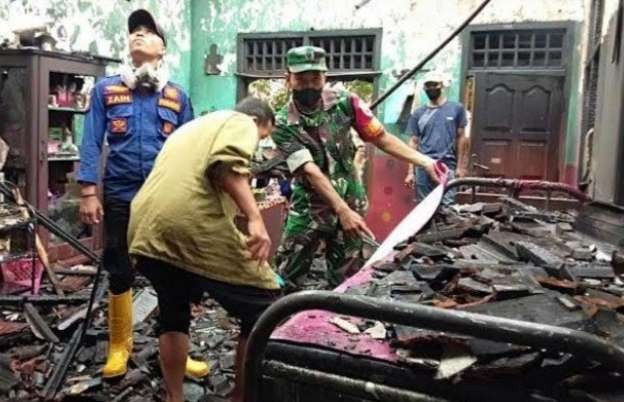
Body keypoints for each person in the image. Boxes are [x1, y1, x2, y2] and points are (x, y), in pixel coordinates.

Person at [76, 9, 208, 379]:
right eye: (134, 31)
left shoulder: (177, 96)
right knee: (119, 266)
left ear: (162, 49)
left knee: (172, 270)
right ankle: (120, 346)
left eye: (148, 32)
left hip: (165, 197)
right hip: (119, 193)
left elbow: (192, 150)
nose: (138, 35)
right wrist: (89, 191)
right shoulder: (107, 89)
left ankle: (178, 350)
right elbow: (91, 141)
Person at [128, 97, 281, 402]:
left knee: (174, 311)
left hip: (145, 226)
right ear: (259, 122)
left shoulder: (192, 128)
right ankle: (243, 397)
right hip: (187, 223)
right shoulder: (241, 122)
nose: (259, 144)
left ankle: (175, 398)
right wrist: (255, 219)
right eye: (263, 136)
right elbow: (225, 167)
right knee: (265, 307)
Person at [273, 46, 444, 291]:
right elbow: (310, 170)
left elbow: (381, 137)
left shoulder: (347, 103)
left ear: (326, 77)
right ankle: (278, 324)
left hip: (351, 200)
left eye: (315, 78)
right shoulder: (282, 123)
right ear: (287, 79)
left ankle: (335, 324)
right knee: (287, 273)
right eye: (301, 79)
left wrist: (424, 161)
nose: (309, 86)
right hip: (310, 207)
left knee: (347, 277)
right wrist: (341, 211)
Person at [404, 71, 469, 205]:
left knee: (448, 206)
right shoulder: (418, 113)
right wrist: (411, 172)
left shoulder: (456, 109)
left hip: (447, 165)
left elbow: (462, 138)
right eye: (428, 86)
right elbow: (413, 142)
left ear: (442, 85)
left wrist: (461, 167)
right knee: (424, 207)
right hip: (423, 166)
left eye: (434, 85)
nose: (431, 88)